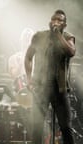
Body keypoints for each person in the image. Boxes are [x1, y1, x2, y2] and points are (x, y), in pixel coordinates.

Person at [25, 9, 76, 144]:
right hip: (40, 88)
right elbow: (28, 58)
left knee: (66, 128)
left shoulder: (68, 37)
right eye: (54, 19)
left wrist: (58, 34)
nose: (56, 22)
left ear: (64, 25)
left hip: (59, 90)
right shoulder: (39, 36)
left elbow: (71, 52)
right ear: (49, 21)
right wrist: (29, 79)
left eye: (60, 21)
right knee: (37, 128)